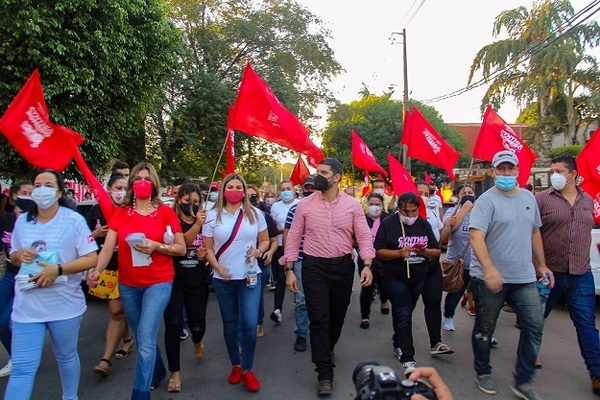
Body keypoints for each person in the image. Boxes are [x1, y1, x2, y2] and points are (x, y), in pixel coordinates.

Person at [87, 162, 186, 400]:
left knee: (145, 335)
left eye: (147, 178)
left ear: (154, 184)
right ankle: (158, 370)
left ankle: (140, 394)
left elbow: (181, 248)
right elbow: (108, 248)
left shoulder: (166, 212)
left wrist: (156, 246)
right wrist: (96, 270)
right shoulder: (120, 213)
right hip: (129, 284)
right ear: (132, 183)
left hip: (159, 282)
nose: (142, 183)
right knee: (144, 337)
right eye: (138, 178)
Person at [282, 157, 374, 397]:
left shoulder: (353, 205)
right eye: (317, 171)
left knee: (337, 316)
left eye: (323, 172)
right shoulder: (305, 205)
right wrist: (289, 268)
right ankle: (324, 372)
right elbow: (293, 238)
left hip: (343, 267)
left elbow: (364, 237)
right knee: (319, 318)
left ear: (337, 177)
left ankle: (328, 347)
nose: (317, 176)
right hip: (314, 268)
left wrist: (367, 264)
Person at [4, 169, 98, 400]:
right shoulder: (23, 222)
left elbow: (91, 258)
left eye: (47, 185)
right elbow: (13, 255)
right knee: (22, 368)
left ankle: (70, 397)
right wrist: (20, 255)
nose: (41, 189)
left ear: (58, 192)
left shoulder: (73, 220)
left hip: (64, 306)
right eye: (37, 185)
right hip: (27, 307)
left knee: (66, 356)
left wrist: (57, 269)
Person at [469, 150, 553, 398]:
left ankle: (523, 381)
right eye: (501, 169)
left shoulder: (528, 198)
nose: (506, 174)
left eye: (510, 169)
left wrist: (542, 265)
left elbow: (535, 232)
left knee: (535, 325)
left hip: (524, 277)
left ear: (517, 170)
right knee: (485, 328)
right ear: (494, 172)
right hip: (490, 278)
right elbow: (476, 236)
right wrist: (489, 268)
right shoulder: (486, 201)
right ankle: (483, 371)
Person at [536, 155, 600, 396]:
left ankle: (597, 373)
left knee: (586, 324)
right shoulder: (542, 200)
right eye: (552, 170)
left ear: (573, 174)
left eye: (559, 170)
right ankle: (527, 360)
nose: (554, 175)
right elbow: (532, 233)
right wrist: (537, 266)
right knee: (535, 320)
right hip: (548, 274)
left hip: (580, 274)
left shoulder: (588, 200)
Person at [202, 173, 269, 393]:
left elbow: (265, 240)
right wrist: (218, 267)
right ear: (222, 190)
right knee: (230, 325)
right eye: (229, 186)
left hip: (250, 276)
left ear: (243, 191)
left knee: (250, 324)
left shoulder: (255, 214)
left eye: (238, 186)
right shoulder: (211, 216)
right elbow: (208, 248)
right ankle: (236, 365)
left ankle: (248, 369)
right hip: (223, 280)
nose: (234, 190)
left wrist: (258, 251)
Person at [374, 191, 441, 377]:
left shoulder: (423, 224)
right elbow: (378, 251)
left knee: (407, 310)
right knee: (403, 311)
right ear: (399, 209)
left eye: (413, 211)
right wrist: (397, 254)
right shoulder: (388, 224)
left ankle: (398, 340)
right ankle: (408, 358)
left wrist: (424, 251)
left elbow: (436, 251)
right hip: (395, 276)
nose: (410, 216)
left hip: (419, 276)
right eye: (406, 212)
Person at [162, 183, 209, 393]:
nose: (191, 205)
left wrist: (205, 256)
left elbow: (210, 247)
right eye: (187, 200)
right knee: (173, 325)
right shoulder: (171, 221)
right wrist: (197, 225)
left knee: (198, 324)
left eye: (196, 202)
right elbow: (182, 247)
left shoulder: (206, 221)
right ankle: (175, 373)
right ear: (179, 199)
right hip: (173, 280)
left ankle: (197, 341)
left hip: (198, 281)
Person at [87, 173, 135, 377]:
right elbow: (82, 236)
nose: (121, 192)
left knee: (116, 309)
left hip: (128, 268)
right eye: (118, 188)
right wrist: (95, 234)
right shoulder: (96, 211)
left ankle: (105, 359)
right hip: (106, 268)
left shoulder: (132, 211)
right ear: (109, 189)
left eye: (125, 188)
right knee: (116, 311)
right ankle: (127, 340)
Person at [415, 181, 453, 358]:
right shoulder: (404, 214)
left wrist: (449, 225)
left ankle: (436, 341)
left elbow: (441, 236)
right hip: (412, 265)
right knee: (406, 306)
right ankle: (399, 340)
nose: (422, 196)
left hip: (432, 263)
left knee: (433, 302)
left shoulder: (431, 212)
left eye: (425, 193)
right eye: (418, 192)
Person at [0, 181, 33, 378]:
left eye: (32, 193)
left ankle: (20, 359)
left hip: (29, 277)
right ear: (13, 196)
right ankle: (16, 357)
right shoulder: (5, 219)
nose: (27, 196)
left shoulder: (37, 220)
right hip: (9, 275)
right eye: (23, 193)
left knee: (6, 321)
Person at [281, 176, 317, 352]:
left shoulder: (326, 209)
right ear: (302, 189)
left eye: (313, 187)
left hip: (321, 261)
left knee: (321, 302)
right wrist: (289, 262)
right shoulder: (295, 208)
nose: (309, 190)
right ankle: (301, 334)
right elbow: (288, 234)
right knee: (302, 300)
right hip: (301, 261)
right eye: (307, 187)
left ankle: (320, 335)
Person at [441, 184, 476, 331]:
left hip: (477, 264)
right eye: (464, 193)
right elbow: (451, 229)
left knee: (483, 298)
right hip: (459, 263)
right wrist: (465, 209)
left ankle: (485, 329)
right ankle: (448, 316)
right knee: (455, 292)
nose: (468, 195)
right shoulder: (452, 211)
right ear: (458, 197)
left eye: (470, 192)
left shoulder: (481, 212)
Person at [247, 184, 278, 338]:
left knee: (256, 297)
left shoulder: (265, 216)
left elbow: (273, 240)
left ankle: (258, 321)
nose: (249, 199)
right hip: (240, 265)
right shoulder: (232, 217)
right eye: (246, 196)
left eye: (253, 196)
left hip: (260, 264)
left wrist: (270, 252)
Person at [357, 193, 390, 329]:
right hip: (365, 259)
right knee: (367, 287)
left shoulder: (388, 219)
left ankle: (383, 301)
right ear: (366, 204)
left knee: (384, 285)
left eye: (377, 204)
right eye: (371, 204)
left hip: (384, 259)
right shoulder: (360, 219)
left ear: (382, 205)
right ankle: (365, 316)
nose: (374, 207)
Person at [269, 180, 299, 324]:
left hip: (298, 248)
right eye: (282, 189)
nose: (285, 191)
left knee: (297, 276)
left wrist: (287, 229)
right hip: (280, 246)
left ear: (294, 190)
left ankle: (298, 302)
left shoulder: (301, 204)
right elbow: (273, 227)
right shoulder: (275, 206)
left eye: (288, 188)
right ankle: (277, 309)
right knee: (281, 277)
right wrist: (285, 230)